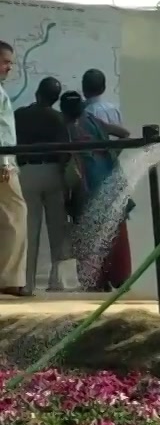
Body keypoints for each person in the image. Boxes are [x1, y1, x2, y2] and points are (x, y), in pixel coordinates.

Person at [59, 90, 131, 291]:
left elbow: (67, 162)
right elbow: (124, 134)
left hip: (87, 184)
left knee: (89, 228)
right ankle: (120, 277)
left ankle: (96, 281)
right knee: (116, 228)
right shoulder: (94, 121)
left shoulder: (67, 130)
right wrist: (110, 154)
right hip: (109, 176)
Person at [15, 76, 73, 293]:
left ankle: (25, 283)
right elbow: (65, 152)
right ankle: (59, 283)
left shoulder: (19, 115)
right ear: (56, 98)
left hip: (27, 171)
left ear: (37, 94)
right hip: (53, 172)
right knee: (57, 229)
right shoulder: (59, 118)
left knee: (29, 230)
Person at [0, 40, 29, 297]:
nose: (9, 67)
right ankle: (9, 278)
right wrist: (5, 163)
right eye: (5, 61)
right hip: (3, 162)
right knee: (15, 216)